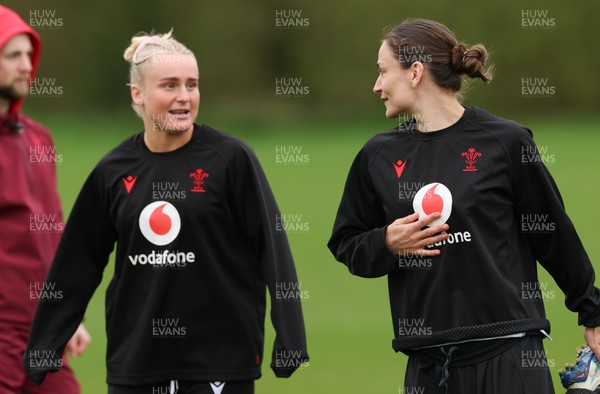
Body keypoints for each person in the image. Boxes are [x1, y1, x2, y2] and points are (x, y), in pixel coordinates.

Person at [23, 30, 308, 394]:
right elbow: (77, 261)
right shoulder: (113, 170)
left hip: (219, 362)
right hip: (137, 363)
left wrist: (291, 338)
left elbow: (274, 248)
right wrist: (45, 345)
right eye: (170, 86)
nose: (184, 97)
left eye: (192, 85)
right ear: (137, 94)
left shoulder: (231, 159)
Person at [327, 18, 600, 394]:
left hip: (509, 352)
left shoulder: (506, 141)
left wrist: (593, 311)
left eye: (382, 71)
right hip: (426, 362)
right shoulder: (377, 155)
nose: (376, 86)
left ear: (415, 72)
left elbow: (551, 231)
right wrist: (386, 243)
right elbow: (345, 243)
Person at [0, 5, 90, 394]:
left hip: (44, 332)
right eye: (12, 55)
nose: (26, 65)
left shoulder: (39, 138)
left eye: (28, 55)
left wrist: (69, 314)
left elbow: (54, 233)